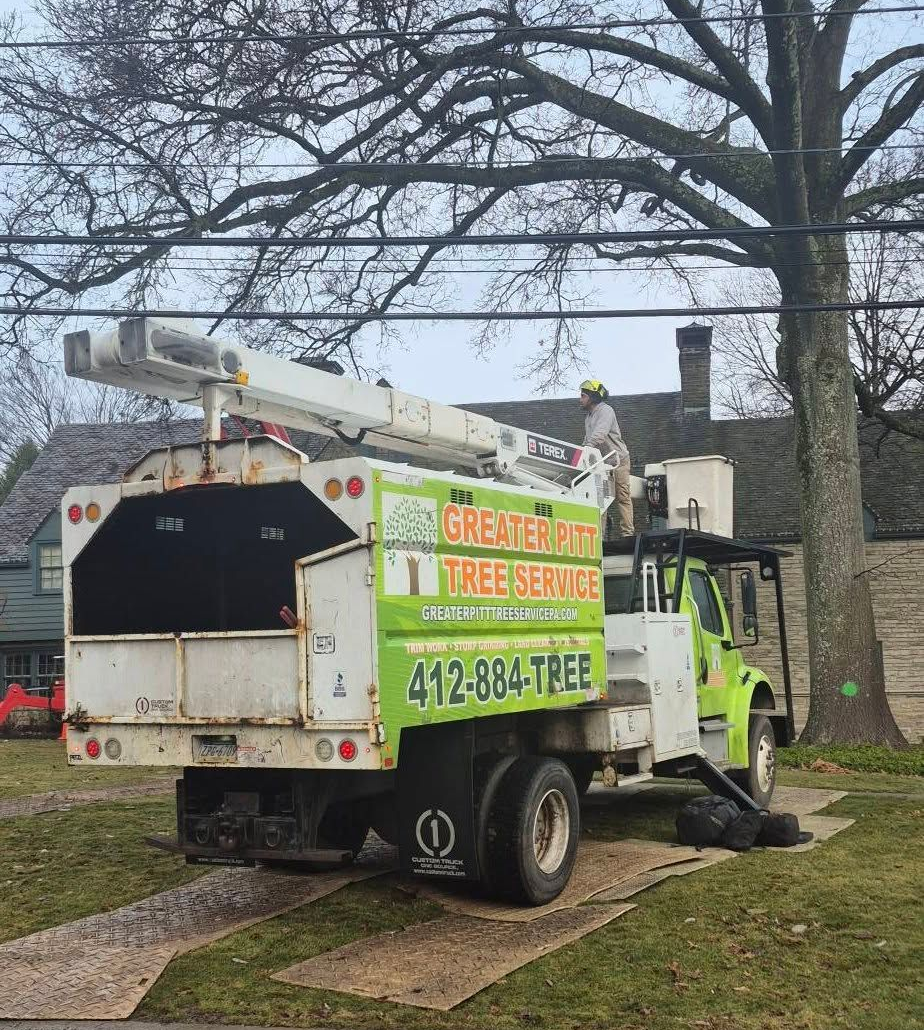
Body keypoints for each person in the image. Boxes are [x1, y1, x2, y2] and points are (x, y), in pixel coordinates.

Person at [579, 379, 634, 537]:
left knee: (622, 497)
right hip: (602, 463)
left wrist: (586, 449)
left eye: (583, 396)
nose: (580, 399)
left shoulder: (606, 411)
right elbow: (588, 439)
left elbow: (599, 435)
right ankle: (600, 537)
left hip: (618, 460)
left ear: (592, 397)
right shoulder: (588, 417)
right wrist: (579, 451)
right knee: (601, 500)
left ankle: (628, 534)